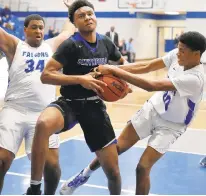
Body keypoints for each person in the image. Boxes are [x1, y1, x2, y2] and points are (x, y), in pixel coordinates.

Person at [60, 31, 206, 195]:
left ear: (196, 54)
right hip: (152, 110)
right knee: (114, 150)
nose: (178, 52)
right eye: (178, 48)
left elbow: (151, 85)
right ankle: (84, 175)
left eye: (183, 50)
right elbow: (146, 66)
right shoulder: (177, 56)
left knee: (142, 168)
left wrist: (113, 69)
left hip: (172, 126)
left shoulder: (196, 78)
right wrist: (111, 71)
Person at [25, 0, 129, 195]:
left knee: (114, 173)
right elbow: (46, 75)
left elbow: (122, 65)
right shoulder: (70, 45)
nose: (87, 17)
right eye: (81, 16)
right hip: (70, 103)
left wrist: (125, 83)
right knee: (43, 124)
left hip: (94, 108)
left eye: (90, 13)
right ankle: (35, 187)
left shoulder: (106, 43)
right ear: (74, 22)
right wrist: (81, 79)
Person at [0, 2, 75, 194]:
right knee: (2, 161)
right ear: (25, 30)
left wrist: (72, 8)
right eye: (34, 27)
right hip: (14, 111)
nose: (38, 31)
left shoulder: (51, 47)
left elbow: (67, 32)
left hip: (44, 115)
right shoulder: (15, 46)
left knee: (52, 167)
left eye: (41, 28)